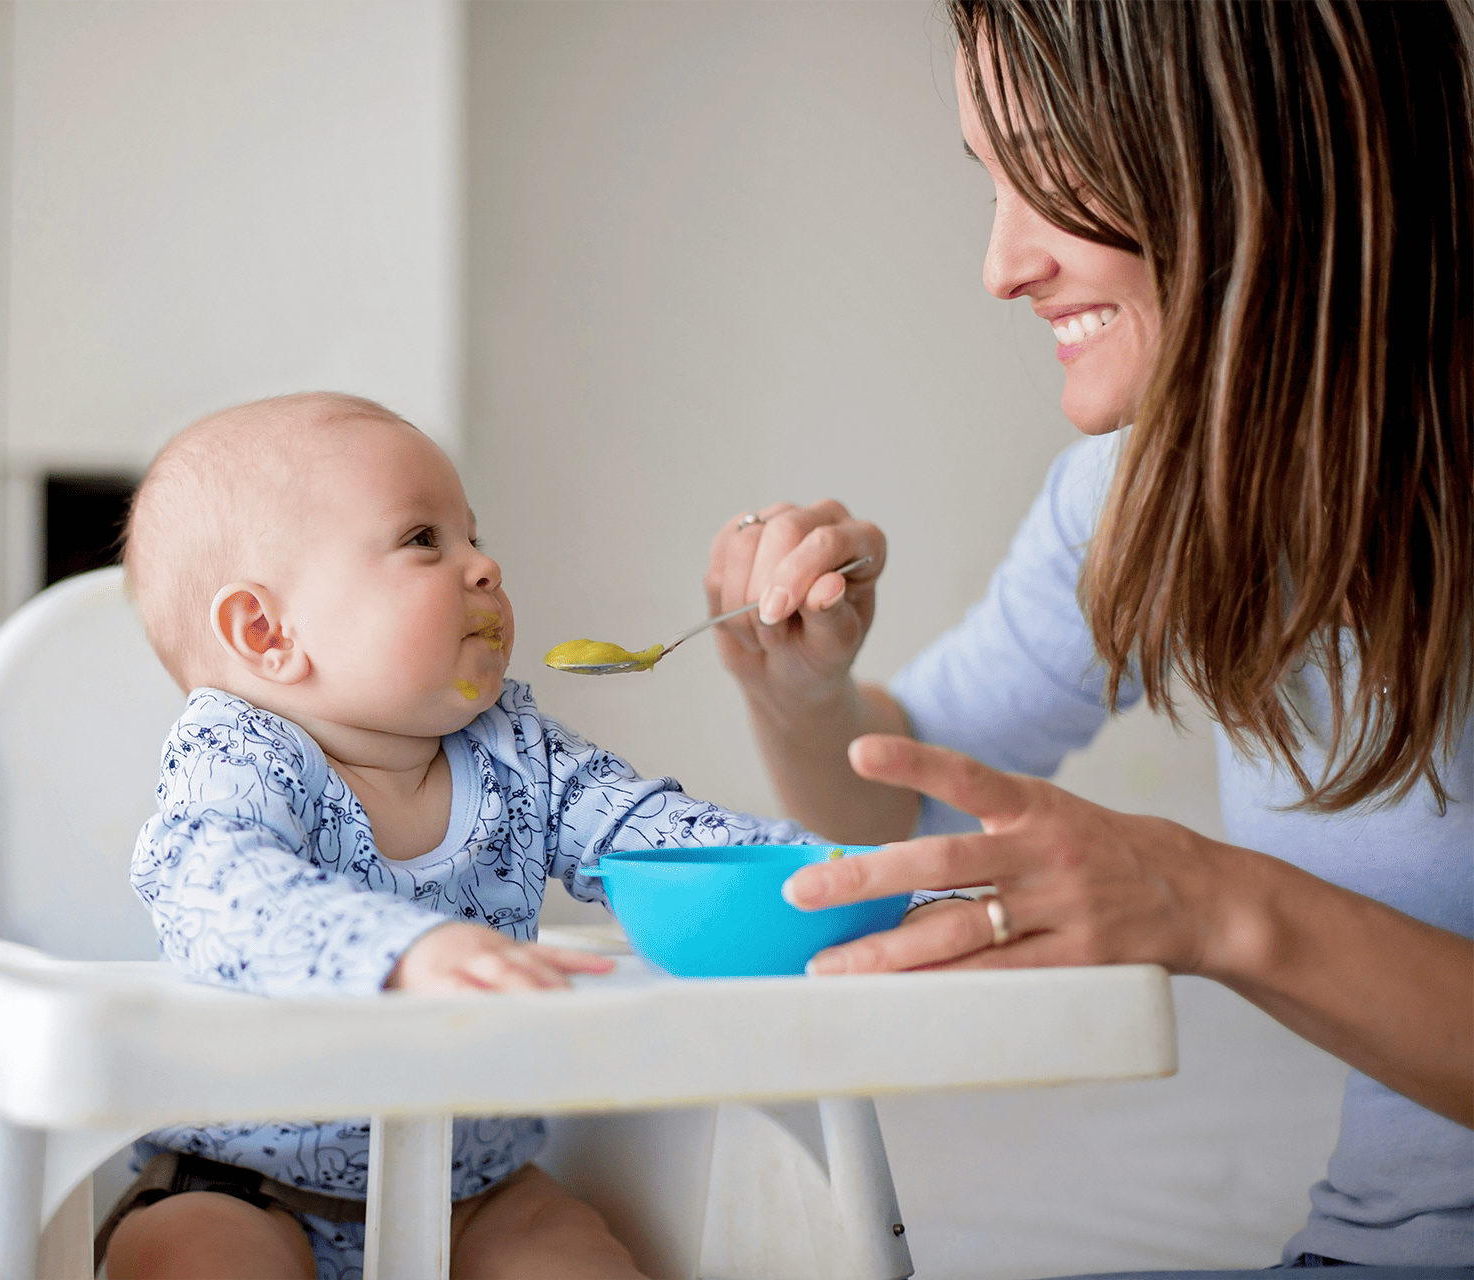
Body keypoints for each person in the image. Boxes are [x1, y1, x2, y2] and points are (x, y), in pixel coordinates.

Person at [706, 1, 1471, 1271]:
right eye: (988, 179)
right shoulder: (1140, 492)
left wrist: (1214, 904)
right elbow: (907, 804)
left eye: (1050, 165)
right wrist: (802, 691)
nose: (1000, 265)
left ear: (1260, 142)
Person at [105, 392, 944, 1280]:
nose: (484, 566)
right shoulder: (237, 752)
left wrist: (878, 886)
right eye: (424, 539)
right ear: (267, 633)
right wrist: (406, 953)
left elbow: (661, 834)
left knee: (572, 1260)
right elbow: (213, 886)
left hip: (477, 1183)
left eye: (474, 535)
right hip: (242, 1182)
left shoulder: (514, 752)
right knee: (190, 1260)